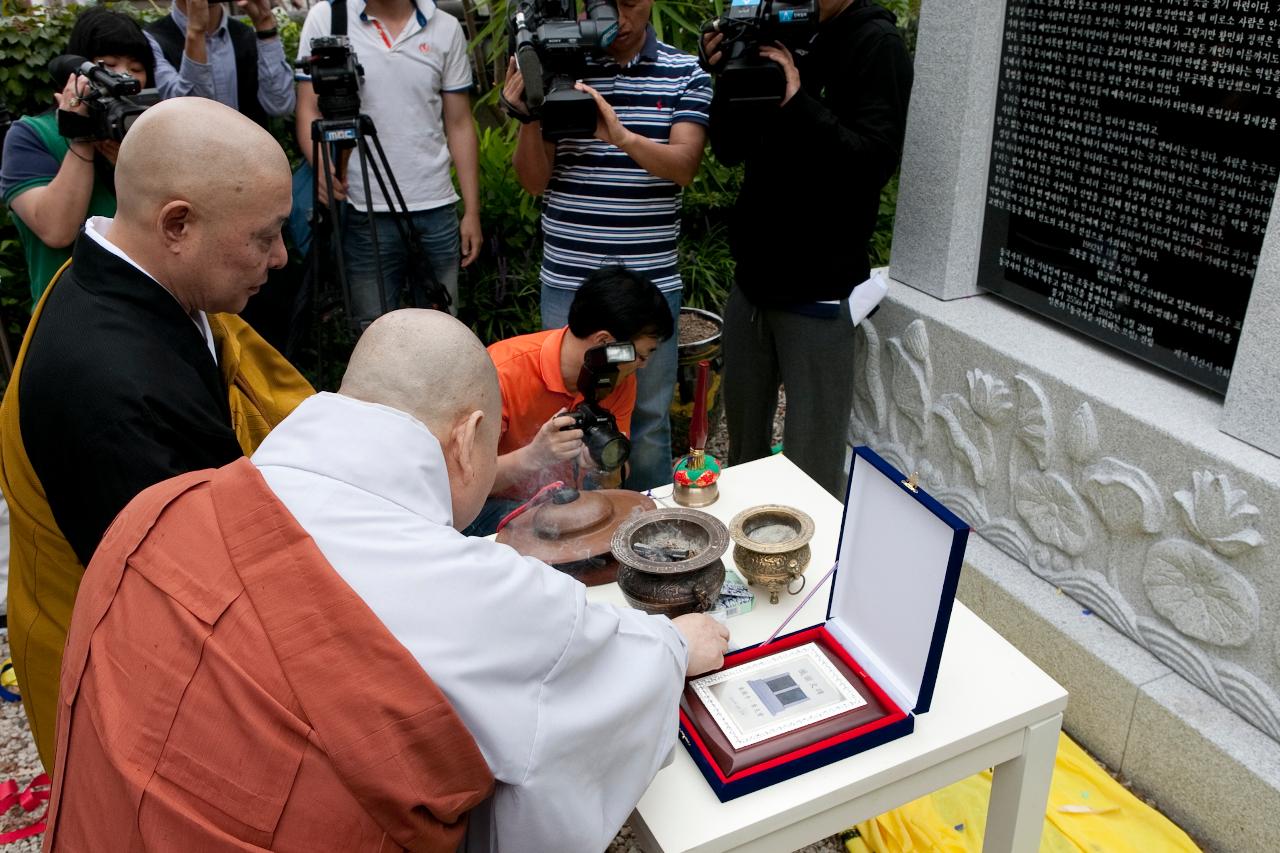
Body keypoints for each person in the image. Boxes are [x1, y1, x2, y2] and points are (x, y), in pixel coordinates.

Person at [41, 309, 730, 852]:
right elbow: (593, 672)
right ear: (467, 439)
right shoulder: (462, 588)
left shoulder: (161, 507)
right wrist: (675, 648)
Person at [0, 97, 314, 771]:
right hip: (115, 681)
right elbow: (202, 611)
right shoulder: (115, 387)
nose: (282, 257)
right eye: (264, 236)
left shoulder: (120, 274)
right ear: (178, 225)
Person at [704, 0, 912, 498]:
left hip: (818, 289)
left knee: (811, 470)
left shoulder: (876, 44)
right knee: (741, 454)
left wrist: (798, 101)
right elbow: (730, 148)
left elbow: (871, 165)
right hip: (753, 283)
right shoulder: (776, 29)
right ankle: (742, 562)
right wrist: (727, 73)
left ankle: (807, 574)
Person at [504, 0, 712, 490]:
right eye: (607, 1)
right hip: (572, 282)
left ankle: (652, 536)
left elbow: (684, 165)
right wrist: (530, 112)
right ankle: (574, 542)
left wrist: (617, 134)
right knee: (570, 415)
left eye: (631, 2)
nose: (620, 15)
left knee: (649, 419)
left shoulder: (683, 73)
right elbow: (534, 182)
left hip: (649, 288)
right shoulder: (562, 64)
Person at [294, 0, 481, 323]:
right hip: (361, 210)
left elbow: (460, 123)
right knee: (374, 335)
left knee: (444, 332)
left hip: (436, 206)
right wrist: (322, 167)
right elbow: (307, 108)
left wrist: (473, 212)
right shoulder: (328, 18)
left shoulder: (445, 26)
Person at [468, 265, 673, 535]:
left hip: (567, 503)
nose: (643, 366)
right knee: (558, 535)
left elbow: (615, 477)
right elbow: (462, 486)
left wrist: (602, 467)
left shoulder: (618, 378)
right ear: (605, 343)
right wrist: (534, 456)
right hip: (490, 508)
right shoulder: (502, 372)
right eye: (642, 356)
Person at [0, 7, 155, 302]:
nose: (123, 77)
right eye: (108, 64)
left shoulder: (149, 130)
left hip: (147, 308)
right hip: (70, 317)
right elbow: (57, 230)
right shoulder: (31, 135)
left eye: (136, 68)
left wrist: (133, 165)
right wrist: (80, 136)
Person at [145, 0, 295, 124]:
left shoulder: (245, 34)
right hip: (188, 158)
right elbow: (192, 118)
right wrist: (196, 32)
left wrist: (265, 23)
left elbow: (280, 106)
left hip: (250, 156)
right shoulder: (152, 41)